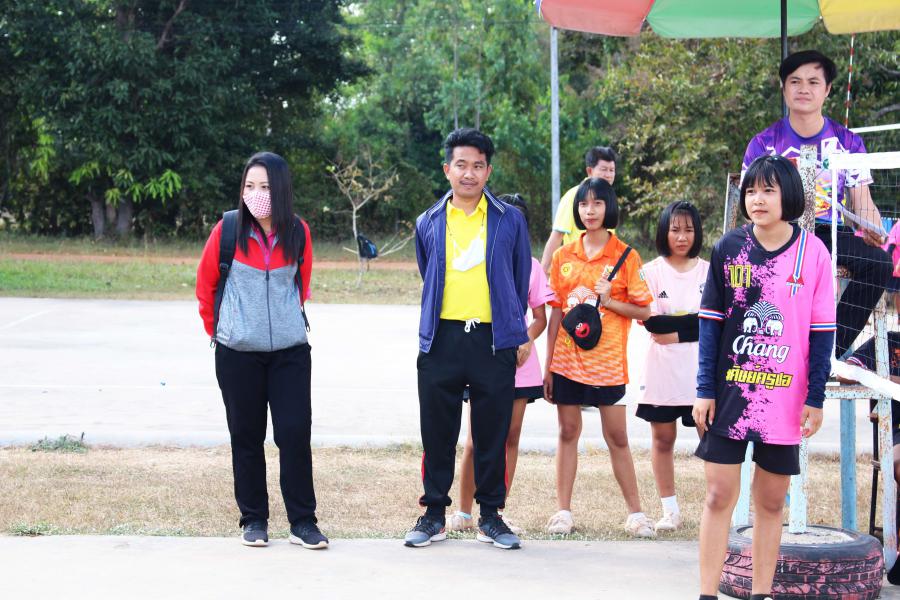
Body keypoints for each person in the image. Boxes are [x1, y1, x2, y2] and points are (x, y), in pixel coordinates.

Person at [694, 155, 835, 600]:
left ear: (788, 196)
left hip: (784, 400)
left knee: (771, 502)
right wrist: (704, 389)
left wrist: (815, 397)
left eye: (768, 190)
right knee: (718, 495)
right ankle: (707, 593)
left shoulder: (813, 253)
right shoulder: (728, 248)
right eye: (751, 190)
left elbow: (822, 333)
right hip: (730, 395)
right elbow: (710, 324)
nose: (757, 199)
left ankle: (761, 593)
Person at [405, 128, 532, 550]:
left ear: (488, 171)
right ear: (447, 169)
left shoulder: (509, 220)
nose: (469, 173)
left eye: (478, 165)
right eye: (461, 165)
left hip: (492, 341)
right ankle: (433, 515)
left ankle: (491, 516)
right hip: (442, 338)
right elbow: (428, 271)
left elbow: (518, 279)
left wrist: (510, 328)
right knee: (437, 432)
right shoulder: (428, 221)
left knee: (492, 433)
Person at [195, 151, 328, 549]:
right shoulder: (227, 230)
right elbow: (206, 287)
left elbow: (301, 286)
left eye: (265, 186)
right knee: (246, 436)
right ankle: (253, 519)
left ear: (281, 189)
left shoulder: (299, 232)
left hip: (290, 353)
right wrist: (224, 332)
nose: (256, 193)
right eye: (250, 186)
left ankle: (303, 522)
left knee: (294, 434)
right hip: (237, 354)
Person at [742, 49, 890, 359]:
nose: (803, 89)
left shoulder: (848, 143)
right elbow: (751, 206)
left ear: (828, 89)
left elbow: (862, 202)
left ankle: (827, 352)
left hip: (829, 233)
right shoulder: (764, 144)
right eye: (795, 81)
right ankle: (767, 349)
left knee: (879, 262)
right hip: (779, 233)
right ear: (784, 88)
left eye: (813, 82)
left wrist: (874, 228)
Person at [543, 177, 656, 538]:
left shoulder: (626, 255)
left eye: (597, 203)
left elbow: (645, 311)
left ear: (609, 207)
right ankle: (563, 512)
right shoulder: (562, 256)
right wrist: (548, 366)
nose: (589, 211)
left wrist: (610, 301)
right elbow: (556, 313)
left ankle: (636, 514)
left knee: (617, 437)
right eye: (583, 204)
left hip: (608, 366)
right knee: (567, 432)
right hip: (567, 363)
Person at [447, 194, 554, 535]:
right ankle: (464, 511)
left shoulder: (533, 266)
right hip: (482, 357)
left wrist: (526, 339)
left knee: (509, 437)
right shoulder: (478, 256)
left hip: (520, 362)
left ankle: (495, 514)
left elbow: (540, 317)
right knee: (476, 439)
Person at [638, 200, 709, 533]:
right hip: (663, 372)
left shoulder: (709, 271)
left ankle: (717, 506)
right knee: (663, 439)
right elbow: (654, 323)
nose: (682, 237)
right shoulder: (650, 272)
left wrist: (678, 331)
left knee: (711, 440)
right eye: (675, 230)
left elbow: (715, 322)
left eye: (689, 230)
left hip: (701, 372)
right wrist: (694, 323)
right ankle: (670, 511)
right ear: (663, 232)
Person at [540, 146, 617, 273]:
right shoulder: (574, 196)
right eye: (604, 169)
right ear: (590, 171)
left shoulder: (610, 198)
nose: (608, 175)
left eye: (611, 170)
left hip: (604, 271)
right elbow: (557, 235)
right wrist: (541, 273)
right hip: (577, 271)